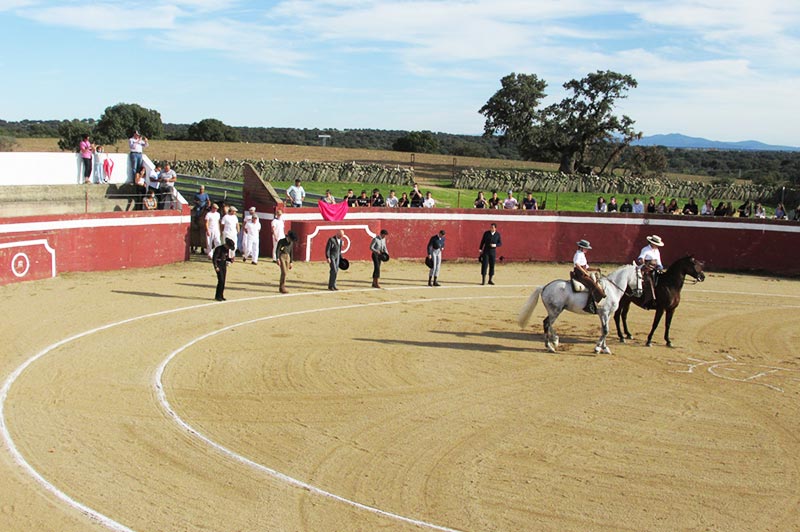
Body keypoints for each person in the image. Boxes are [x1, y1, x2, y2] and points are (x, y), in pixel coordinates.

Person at [572, 239, 606, 314]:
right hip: (580, 275)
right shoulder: (578, 254)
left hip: (583, 273)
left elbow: (586, 267)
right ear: (581, 248)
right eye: (586, 248)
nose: (587, 250)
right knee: (593, 286)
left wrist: (596, 269)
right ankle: (589, 306)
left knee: (596, 283)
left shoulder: (582, 254)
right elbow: (577, 265)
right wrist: (585, 272)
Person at [637, 234, 665, 309]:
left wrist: (660, 267)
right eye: (656, 244)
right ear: (652, 243)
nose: (657, 246)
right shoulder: (645, 249)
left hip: (655, 269)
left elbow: (659, 261)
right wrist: (643, 263)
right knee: (649, 281)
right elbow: (640, 258)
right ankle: (648, 300)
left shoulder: (657, 251)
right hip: (646, 269)